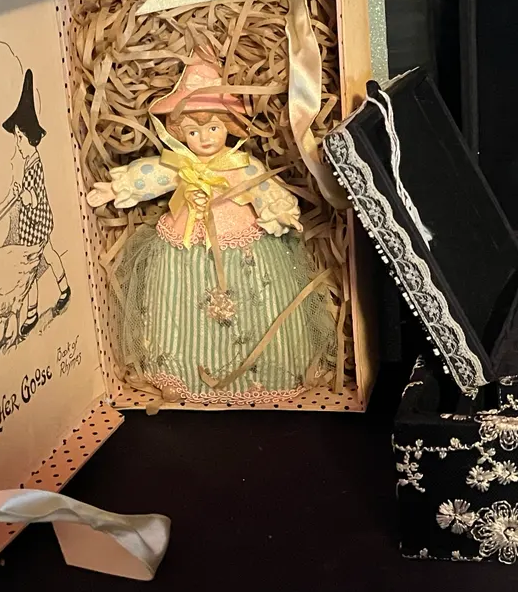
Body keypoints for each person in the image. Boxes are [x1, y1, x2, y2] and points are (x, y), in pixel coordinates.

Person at [87, 60, 335, 402]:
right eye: (193, 132)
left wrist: (280, 212)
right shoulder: (180, 165)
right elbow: (150, 175)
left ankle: (274, 369)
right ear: (180, 134)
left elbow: (265, 190)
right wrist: (115, 189)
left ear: (227, 127)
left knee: (260, 299)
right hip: (184, 243)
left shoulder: (240, 164)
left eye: (214, 128)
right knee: (176, 302)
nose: (205, 138)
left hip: (244, 242)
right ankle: (180, 371)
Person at [2, 69, 70, 336]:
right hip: (39, 222)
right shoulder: (31, 162)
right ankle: (64, 288)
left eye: (19, 138)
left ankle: (31, 314)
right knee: (49, 254)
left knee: (30, 270)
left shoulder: (33, 165)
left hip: (35, 224)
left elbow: (33, 198)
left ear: (29, 137)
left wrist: (22, 195)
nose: (17, 144)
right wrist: (22, 192)